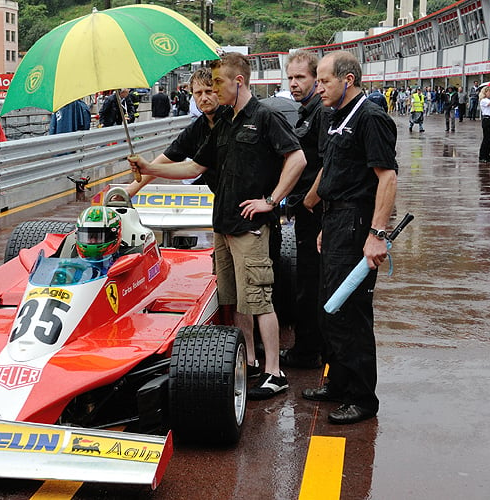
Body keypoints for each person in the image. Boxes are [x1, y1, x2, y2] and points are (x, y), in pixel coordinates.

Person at [128, 52, 307, 400]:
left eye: (219, 84)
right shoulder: (225, 123)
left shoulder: (265, 117)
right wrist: (149, 169)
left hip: (251, 227)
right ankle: (250, 359)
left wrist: (270, 201)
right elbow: (192, 167)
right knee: (236, 299)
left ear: (237, 82)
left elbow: (297, 158)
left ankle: (274, 371)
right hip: (223, 225)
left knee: (260, 299)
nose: (214, 92)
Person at [299, 50, 397, 426]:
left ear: (348, 80)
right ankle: (337, 382)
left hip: (359, 223)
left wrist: (376, 235)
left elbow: (386, 178)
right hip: (336, 218)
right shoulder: (331, 115)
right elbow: (334, 169)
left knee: (351, 311)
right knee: (330, 307)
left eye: (324, 81)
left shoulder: (371, 118)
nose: (318, 88)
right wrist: (323, 218)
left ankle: (362, 397)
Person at [280, 49, 328, 370]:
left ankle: (308, 351)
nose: (294, 84)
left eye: (301, 77)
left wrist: (309, 199)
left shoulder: (321, 113)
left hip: (316, 213)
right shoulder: (304, 111)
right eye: (291, 78)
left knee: (310, 283)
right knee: (309, 281)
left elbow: (327, 163)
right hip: (304, 211)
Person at [123, 68, 222, 198]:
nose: (204, 98)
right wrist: (127, 192)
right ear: (192, 96)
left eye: (209, 91)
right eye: (198, 93)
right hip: (222, 203)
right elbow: (179, 165)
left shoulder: (235, 121)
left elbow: (193, 169)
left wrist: (259, 200)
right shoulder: (195, 130)